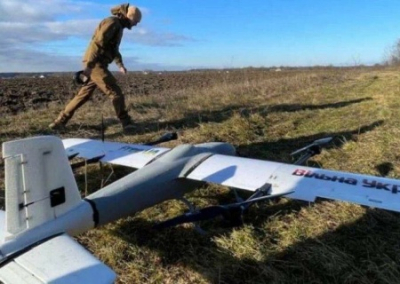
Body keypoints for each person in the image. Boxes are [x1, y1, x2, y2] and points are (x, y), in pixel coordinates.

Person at [49, 3, 142, 132]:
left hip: (98, 64)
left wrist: (120, 65)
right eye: (135, 21)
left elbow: (114, 49)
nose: (136, 24)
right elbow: (97, 44)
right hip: (96, 64)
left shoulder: (118, 26)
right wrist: (89, 67)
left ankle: (60, 122)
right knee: (116, 93)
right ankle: (126, 123)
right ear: (129, 16)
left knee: (83, 96)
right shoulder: (112, 23)